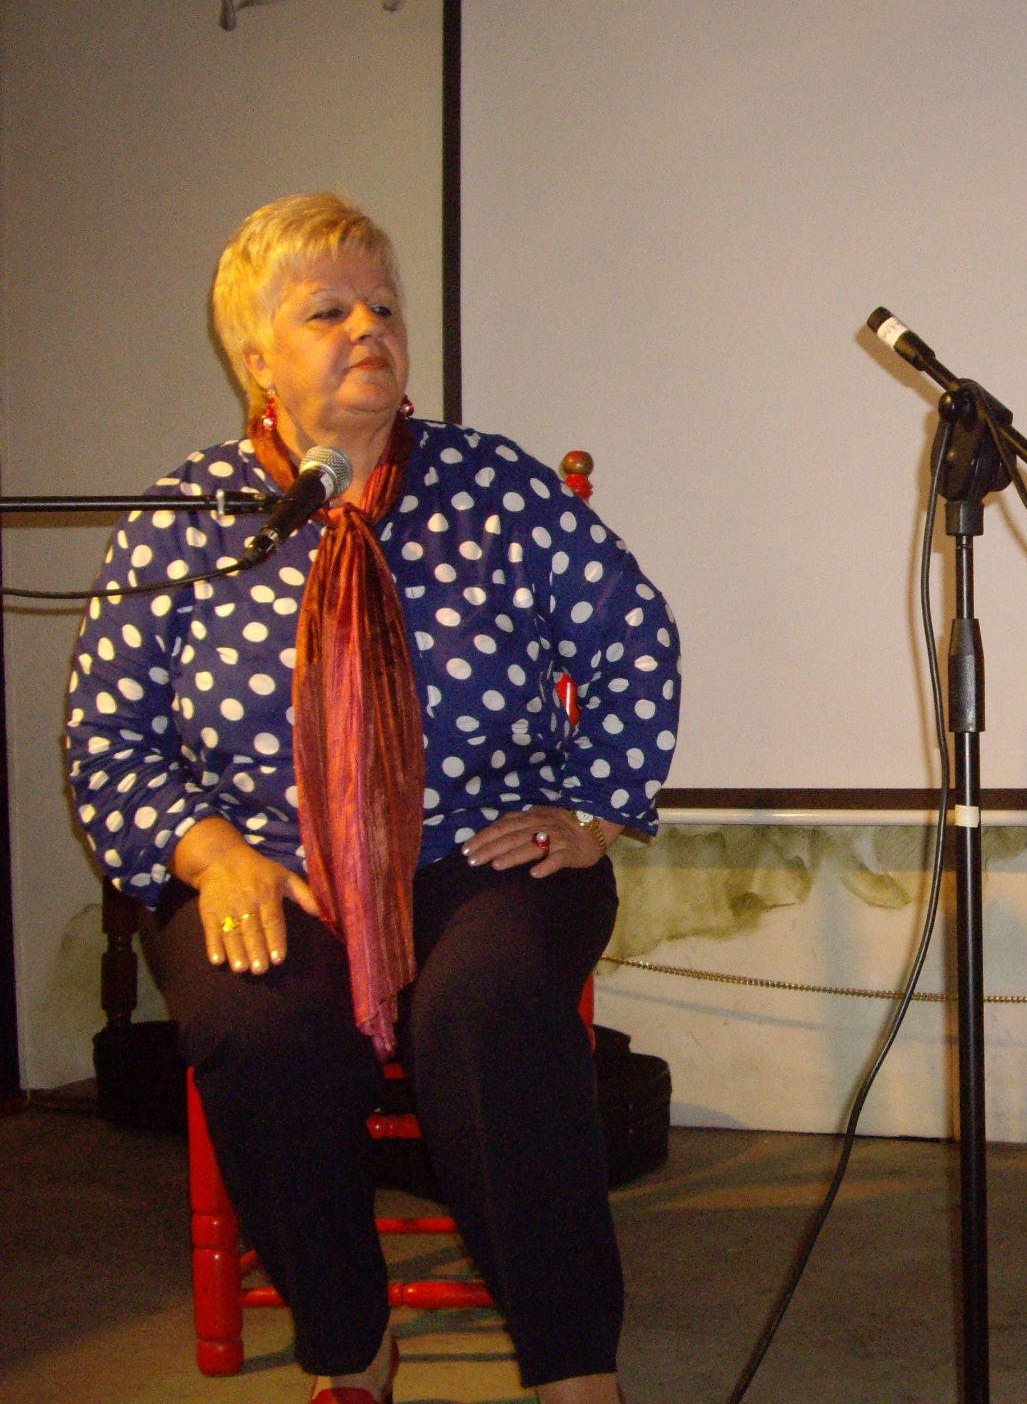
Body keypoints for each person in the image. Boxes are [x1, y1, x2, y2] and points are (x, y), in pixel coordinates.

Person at [66, 193, 680, 1404]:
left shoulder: (494, 489)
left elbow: (635, 640)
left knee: (488, 1013)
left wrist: (593, 808)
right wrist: (209, 856)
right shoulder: (184, 520)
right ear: (256, 358)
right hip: (263, 862)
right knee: (261, 1032)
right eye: (327, 311)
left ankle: (574, 1369)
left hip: (476, 849)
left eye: (384, 307)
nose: (369, 329)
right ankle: (351, 1347)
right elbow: (109, 740)